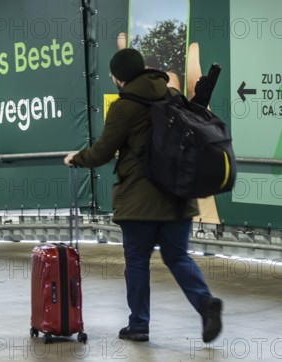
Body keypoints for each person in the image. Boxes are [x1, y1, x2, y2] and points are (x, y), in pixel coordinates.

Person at [64, 48, 223, 343]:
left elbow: (101, 151)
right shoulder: (172, 95)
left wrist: (77, 158)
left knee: (137, 261)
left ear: (119, 78)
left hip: (140, 202)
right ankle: (205, 303)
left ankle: (139, 324)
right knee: (177, 257)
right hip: (177, 196)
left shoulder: (124, 107)